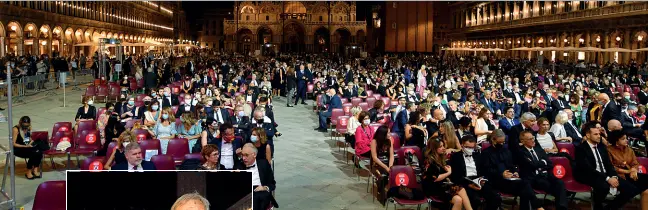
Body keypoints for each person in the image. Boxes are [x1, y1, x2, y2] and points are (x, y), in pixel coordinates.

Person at [574, 122, 640, 210]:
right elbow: (588, 168)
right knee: (603, 186)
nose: (599, 136)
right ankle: (597, 205)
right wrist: (608, 179)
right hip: (589, 174)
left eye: (599, 134)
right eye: (595, 134)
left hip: (605, 174)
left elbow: (609, 165)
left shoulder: (602, 147)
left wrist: (613, 176)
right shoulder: (580, 148)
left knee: (630, 189)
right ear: (588, 135)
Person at [481, 129, 544, 210]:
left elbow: (512, 165)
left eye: (503, 142)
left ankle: (536, 207)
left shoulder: (506, 151)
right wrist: (501, 174)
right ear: (493, 140)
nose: (502, 144)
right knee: (525, 187)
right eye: (500, 142)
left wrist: (515, 172)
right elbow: (485, 170)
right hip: (495, 180)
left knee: (525, 187)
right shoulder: (486, 153)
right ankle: (539, 207)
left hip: (509, 179)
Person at [517, 131, 568, 210]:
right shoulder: (520, 152)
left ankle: (562, 208)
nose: (533, 140)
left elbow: (549, 163)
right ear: (523, 141)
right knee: (555, 188)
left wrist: (540, 164)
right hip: (532, 177)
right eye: (530, 139)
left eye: (533, 138)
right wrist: (543, 162)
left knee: (560, 183)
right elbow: (531, 165)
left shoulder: (538, 149)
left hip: (545, 175)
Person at [449, 135, 501, 210]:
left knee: (496, 198)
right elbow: (455, 176)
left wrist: (482, 179)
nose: (470, 149)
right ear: (462, 145)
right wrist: (469, 185)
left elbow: (484, 170)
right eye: (467, 147)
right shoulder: (456, 157)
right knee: (475, 200)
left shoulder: (478, 155)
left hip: (478, 182)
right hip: (465, 183)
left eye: (472, 148)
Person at [422, 138, 474, 210]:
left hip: (441, 187)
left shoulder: (441, 158)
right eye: (440, 146)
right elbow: (435, 178)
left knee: (458, 200)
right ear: (434, 148)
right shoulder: (429, 161)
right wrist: (449, 172)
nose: (443, 148)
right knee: (461, 189)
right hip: (433, 188)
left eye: (443, 146)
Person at [607, 130, 648, 210]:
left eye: (626, 138)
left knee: (646, 185)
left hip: (631, 174)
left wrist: (633, 170)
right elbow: (610, 167)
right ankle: (610, 207)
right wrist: (628, 171)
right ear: (616, 141)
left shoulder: (629, 150)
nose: (626, 140)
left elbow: (635, 163)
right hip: (617, 175)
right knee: (636, 189)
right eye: (623, 139)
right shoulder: (609, 150)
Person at [239, 143, 279, 209]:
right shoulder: (239, 166)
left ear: (254, 154)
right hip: (246, 196)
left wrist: (265, 188)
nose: (243, 158)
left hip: (260, 194)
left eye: (246, 155)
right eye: (242, 155)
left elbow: (272, 184)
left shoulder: (264, 164)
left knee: (259, 197)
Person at [370, 125, 394, 203]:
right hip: (377, 164)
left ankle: (392, 193)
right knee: (383, 175)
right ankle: (382, 195)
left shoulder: (389, 140)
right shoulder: (374, 141)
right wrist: (386, 168)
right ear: (383, 134)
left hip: (387, 163)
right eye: (388, 133)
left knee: (395, 172)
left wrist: (390, 166)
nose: (390, 134)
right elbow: (375, 158)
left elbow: (391, 156)